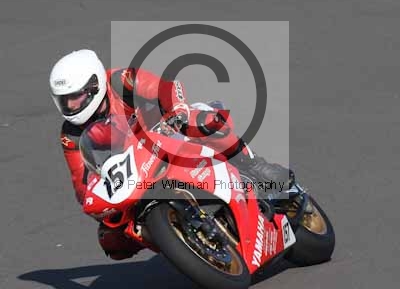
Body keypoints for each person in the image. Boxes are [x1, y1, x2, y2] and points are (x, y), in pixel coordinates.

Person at [50, 49, 293, 260]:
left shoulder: (120, 80)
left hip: (166, 132)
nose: (71, 106)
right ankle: (178, 240)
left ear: (94, 85)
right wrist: (101, 207)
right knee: (111, 240)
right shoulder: (71, 135)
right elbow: (82, 184)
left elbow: (165, 87)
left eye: (75, 97)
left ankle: (253, 165)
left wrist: (178, 112)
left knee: (201, 121)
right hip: (132, 172)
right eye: (64, 100)